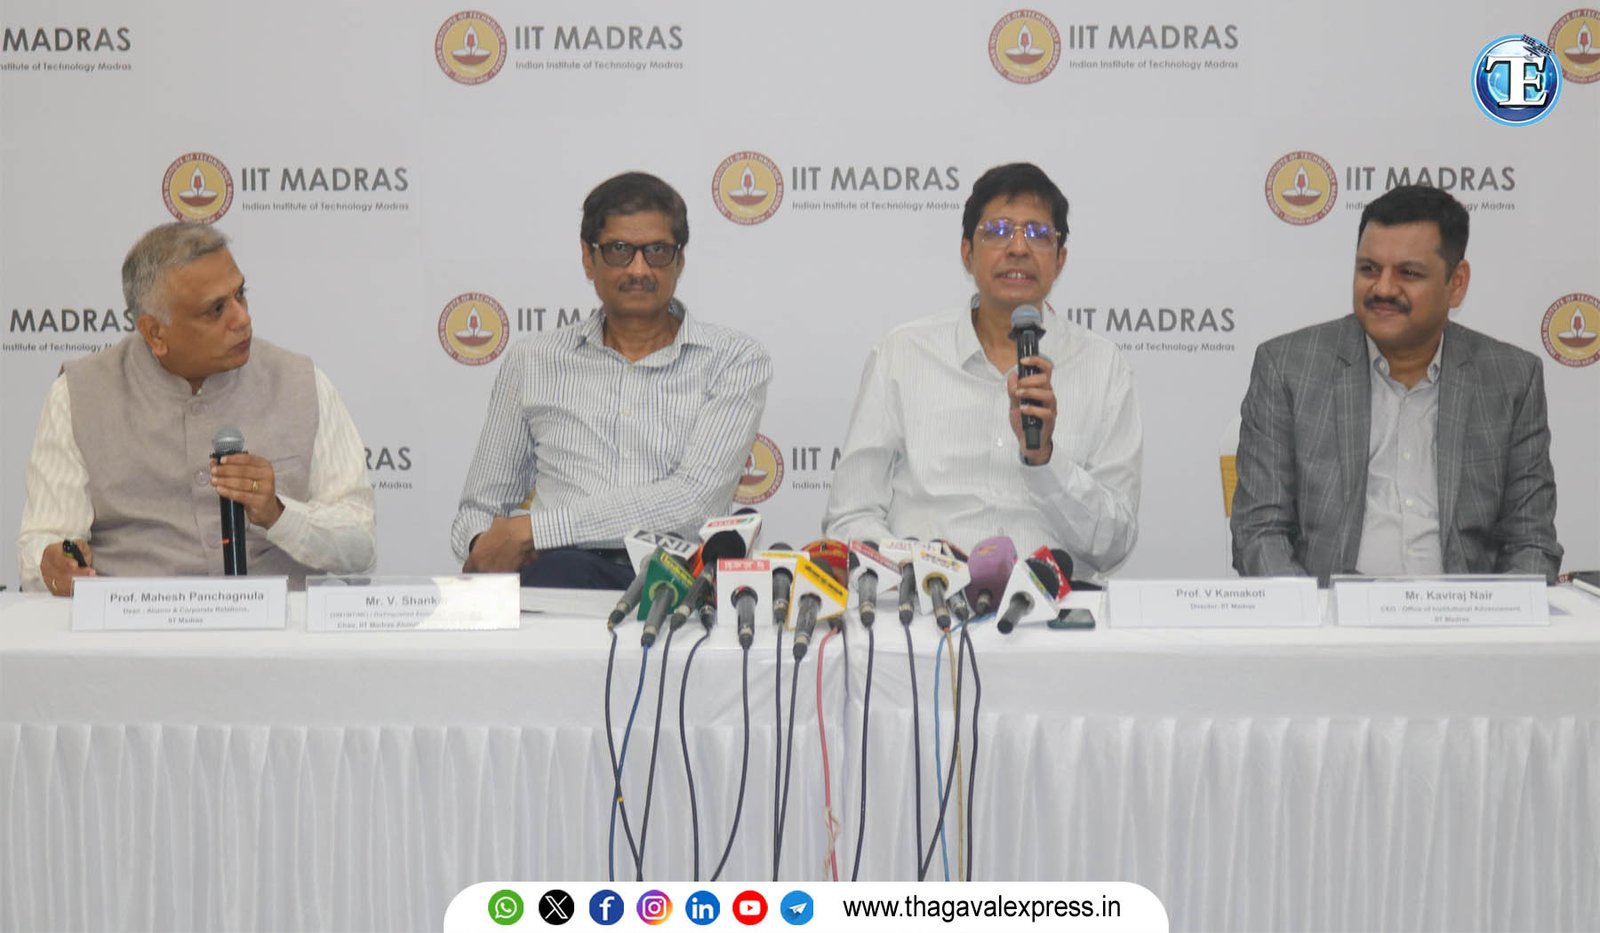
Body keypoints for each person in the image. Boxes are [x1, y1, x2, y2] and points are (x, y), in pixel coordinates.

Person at [823, 162, 1142, 582]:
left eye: (1038, 234)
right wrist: (921, 573)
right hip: (927, 607)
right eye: (998, 231)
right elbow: (851, 518)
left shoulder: (1102, 366)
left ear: (1060, 259)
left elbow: (1113, 543)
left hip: (1053, 610)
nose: (1018, 248)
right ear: (967, 253)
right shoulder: (902, 355)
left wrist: (1044, 458)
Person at [451, 172, 772, 588]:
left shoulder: (733, 360)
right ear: (589, 257)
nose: (639, 269)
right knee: (561, 572)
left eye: (657, 251)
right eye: (620, 250)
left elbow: (693, 501)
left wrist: (534, 531)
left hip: (675, 585)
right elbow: (479, 509)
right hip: (555, 580)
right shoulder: (533, 361)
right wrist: (487, 545)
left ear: (679, 260)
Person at [17, 222, 377, 594]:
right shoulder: (78, 396)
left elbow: (361, 547)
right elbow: (46, 544)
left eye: (240, 294)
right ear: (155, 333)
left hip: (279, 626)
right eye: (216, 309)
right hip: (137, 624)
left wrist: (278, 514)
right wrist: (53, 566)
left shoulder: (301, 383)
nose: (242, 318)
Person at [1231, 184, 1562, 581]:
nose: (1383, 288)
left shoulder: (1511, 378)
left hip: (1464, 614)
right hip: (1330, 612)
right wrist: (1311, 612)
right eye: (1369, 269)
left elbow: (1531, 542)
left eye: (1409, 273)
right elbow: (1259, 532)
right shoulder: (1288, 368)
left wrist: (1496, 613)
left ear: (1456, 283)